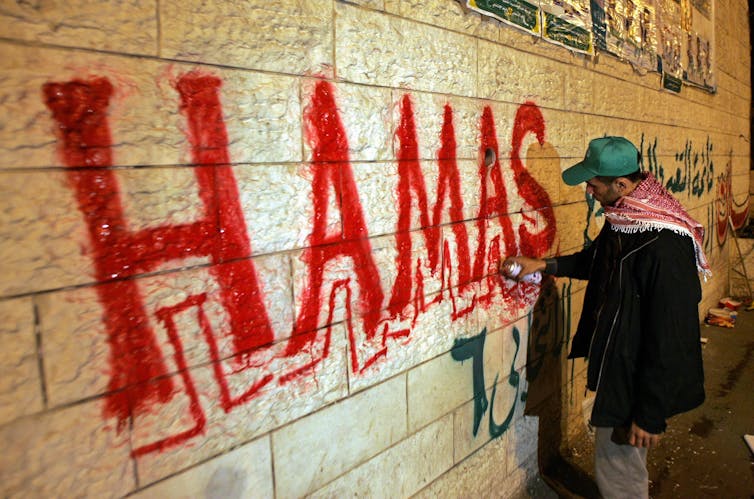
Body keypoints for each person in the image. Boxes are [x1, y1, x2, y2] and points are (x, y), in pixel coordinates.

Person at [501, 136, 707, 498]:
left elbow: (671, 337)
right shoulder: (627, 219)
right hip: (621, 365)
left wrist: (649, 412)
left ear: (622, 184)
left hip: (635, 378)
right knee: (618, 465)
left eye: (593, 182)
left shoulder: (664, 245)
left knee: (619, 471)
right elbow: (597, 262)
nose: (588, 188)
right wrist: (546, 265)